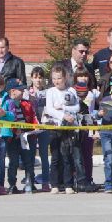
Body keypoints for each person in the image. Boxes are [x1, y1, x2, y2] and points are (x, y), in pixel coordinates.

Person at [43, 65, 81, 194]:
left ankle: (68, 184)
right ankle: (54, 184)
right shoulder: (50, 92)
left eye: (59, 78)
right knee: (55, 157)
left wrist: (64, 109)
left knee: (67, 156)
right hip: (55, 127)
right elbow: (50, 109)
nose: (56, 81)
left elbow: (77, 107)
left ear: (65, 78)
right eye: (54, 78)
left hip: (68, 127)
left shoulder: (71, 90)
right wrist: (62, 115)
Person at [4, 78, 37, 194]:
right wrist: (14, 130)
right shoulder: (6, 104)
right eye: (20, 90)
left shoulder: (26, 103)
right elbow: (4, 120)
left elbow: (33, 118)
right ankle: (12, 185)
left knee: (28, 160)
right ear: (12, 91)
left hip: (26, 136)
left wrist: (35, 128)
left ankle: (30, 182)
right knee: (13, 162)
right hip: (12, 138)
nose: (23, 91)